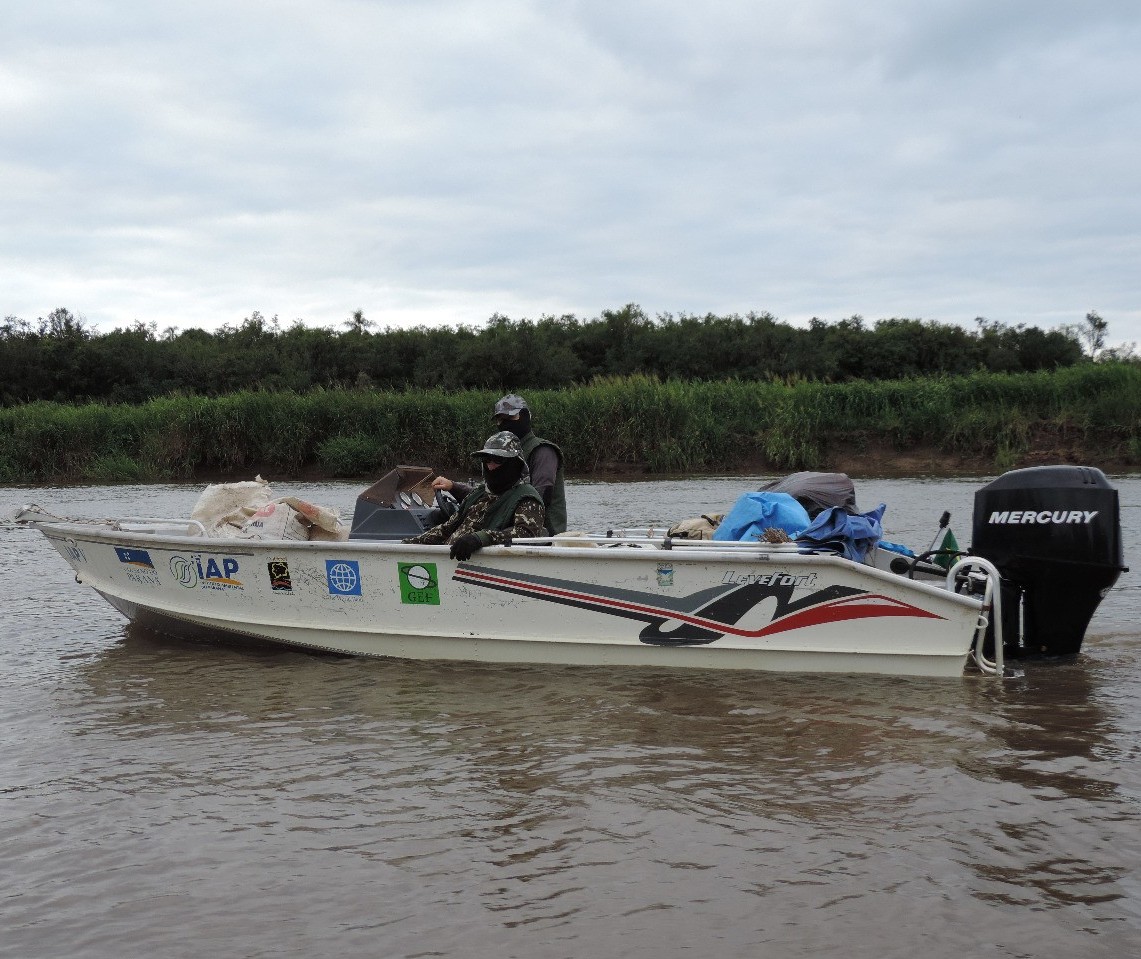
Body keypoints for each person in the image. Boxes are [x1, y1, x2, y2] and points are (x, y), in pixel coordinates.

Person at [432, 393, 567, 534]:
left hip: (539, 535)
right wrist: (453, 487)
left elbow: (540, 496)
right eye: (500, 420)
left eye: (511, 418)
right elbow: (490, 496)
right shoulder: (500, 453)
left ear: (525, 416)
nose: (505, 424)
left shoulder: (542, 451)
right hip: (501, 531)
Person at [403, 432, 546, 561]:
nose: (491, 466)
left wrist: (480, 538)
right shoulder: (479, 494)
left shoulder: (526, 497)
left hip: (483, 571)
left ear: (515, 463)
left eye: (498, 461)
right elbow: (447, 528)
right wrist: (408, 544)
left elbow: (526, 535)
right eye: (487, 460)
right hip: (449, 562)